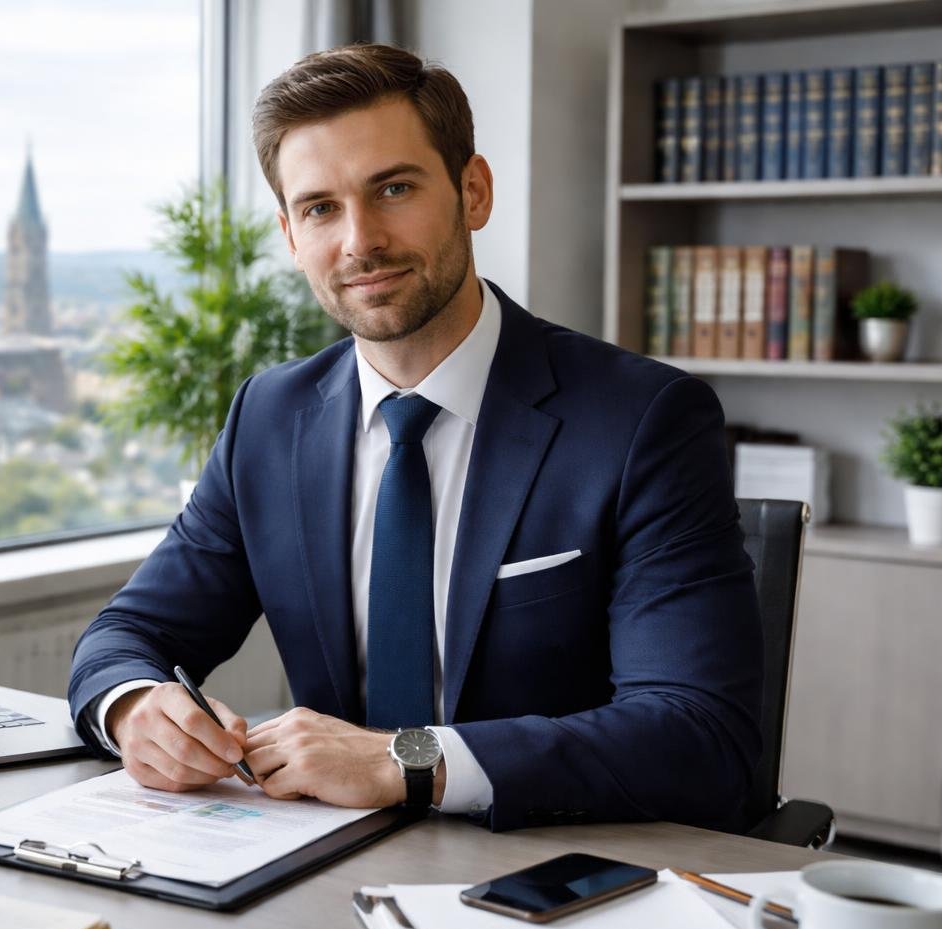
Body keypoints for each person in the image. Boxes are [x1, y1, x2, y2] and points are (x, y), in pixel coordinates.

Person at [67, 43, 762, 832]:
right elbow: (128, 634)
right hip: (325, 855)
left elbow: (701, 735)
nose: (359, 241)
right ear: (291, 235)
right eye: (320, 209)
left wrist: (408, 761)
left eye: (393, 189)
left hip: (548, 860)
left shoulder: (643, 421)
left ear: (473, 191)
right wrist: (133, 708)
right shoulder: (269, 417)